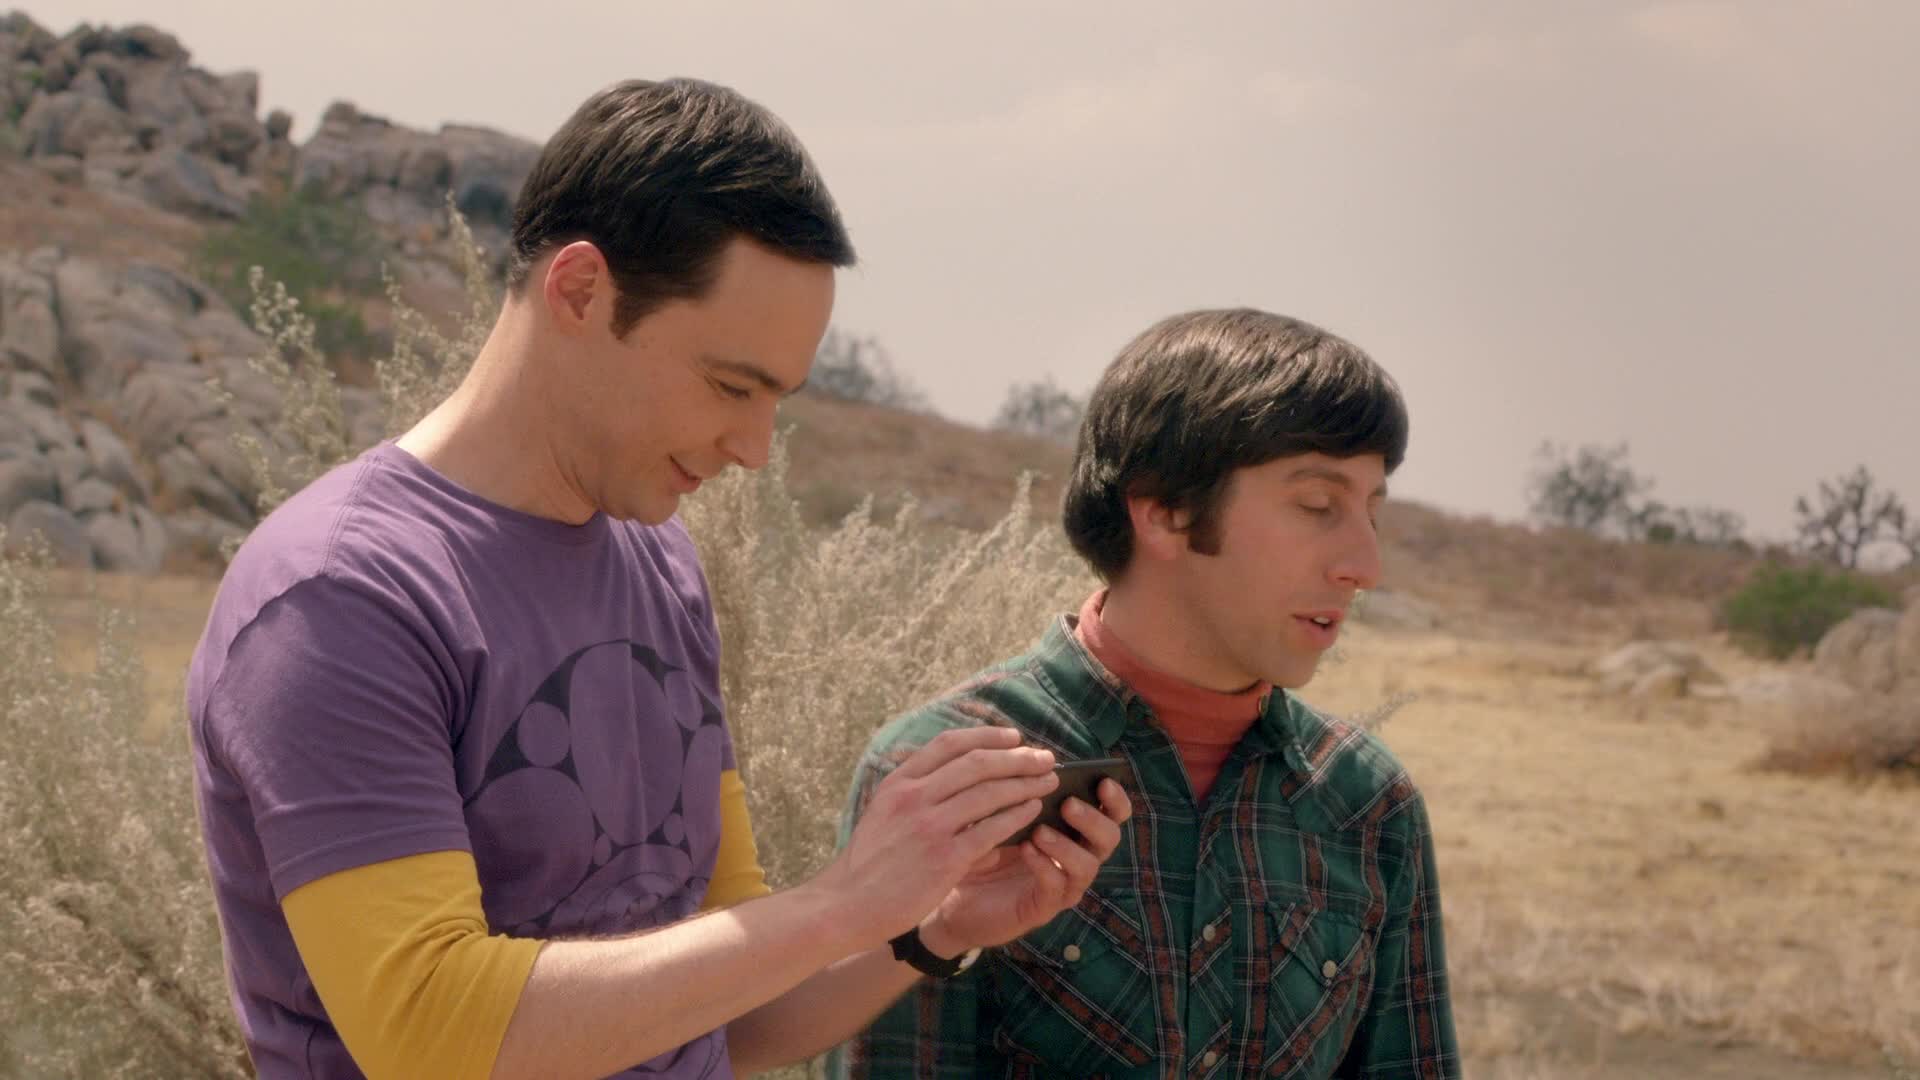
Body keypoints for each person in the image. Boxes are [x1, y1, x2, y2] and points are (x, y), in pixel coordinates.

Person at [185, 77, 1131, 1080]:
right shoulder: (342, 596)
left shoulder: (663, 566)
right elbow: (431, 1032)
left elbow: (731, 1010)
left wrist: (930, 926)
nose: (755, 449)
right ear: (580, 291)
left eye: (777, 400)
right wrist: (840, 903)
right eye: (730, 386)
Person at [829, 309, 1460, 1079]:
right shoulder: (946, 773)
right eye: (1317, 506)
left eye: (1372, 512)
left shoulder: (1368, 803)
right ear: (1165, 510)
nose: (1365, 564)